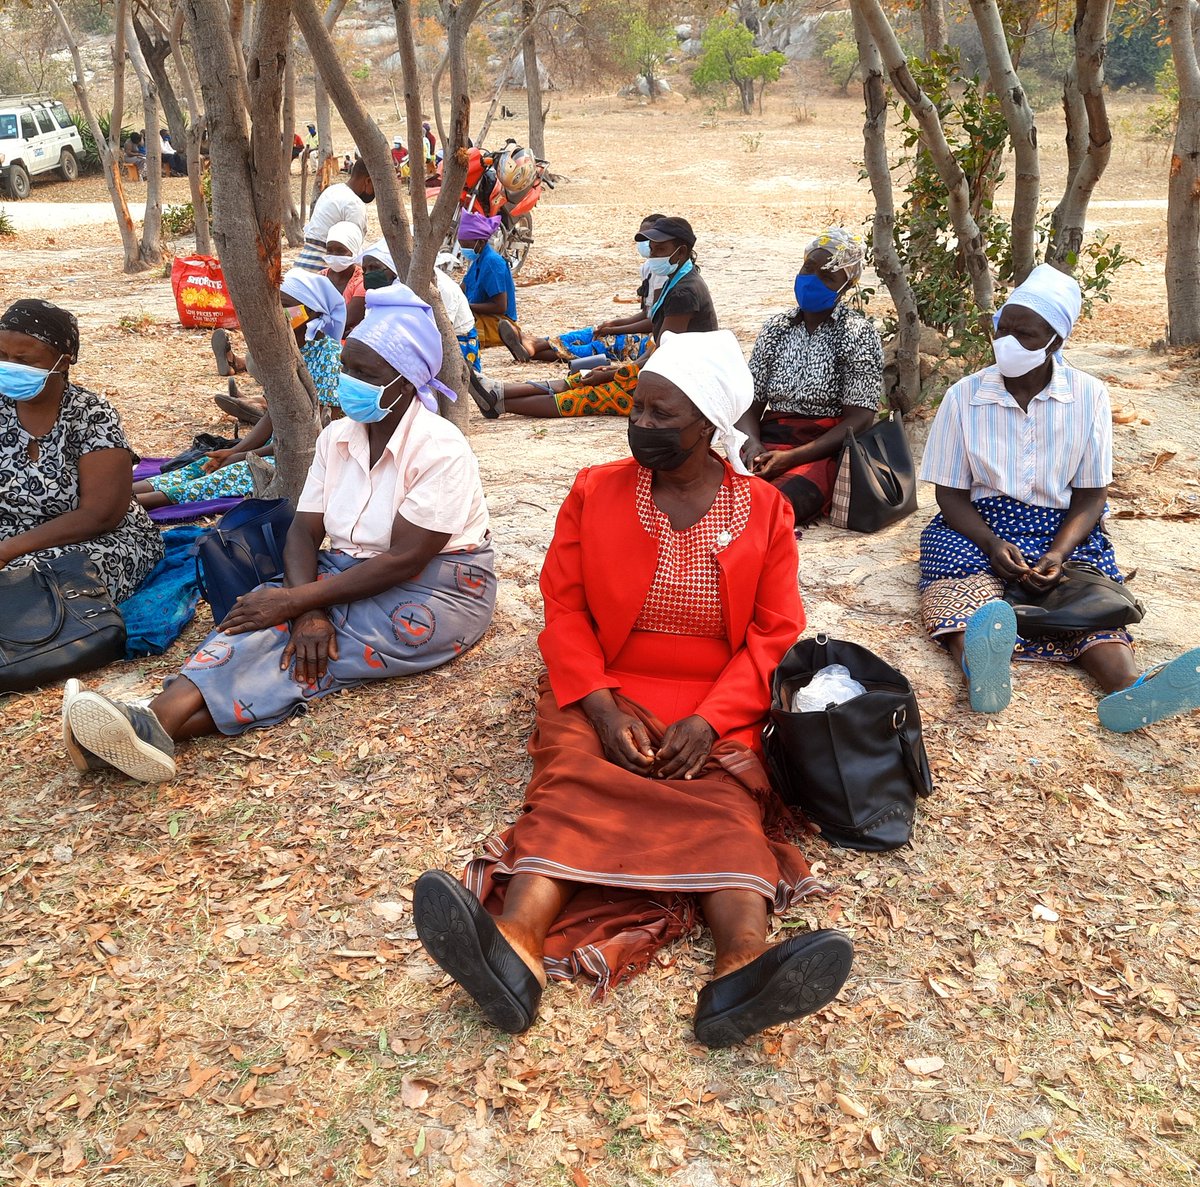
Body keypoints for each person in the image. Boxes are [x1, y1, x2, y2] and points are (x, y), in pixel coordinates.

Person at [413, 330, 853, 1046]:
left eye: (661, 414)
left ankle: (743, 966)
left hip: (716, 693)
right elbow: (566, 607)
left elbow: (774, 633)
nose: (641, 425)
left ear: (709, 423)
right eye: (637, 410)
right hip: (604, 684)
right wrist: (598, 703)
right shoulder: (595, 490)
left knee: (721, 796)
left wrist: (711, 723)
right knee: (576, 779)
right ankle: (514, 945)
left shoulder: (765, 510)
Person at [62, 283, 495, 781]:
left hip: (439, 587)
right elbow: (302, 535)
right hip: (350, 570)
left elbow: (405, 561)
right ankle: (149, 729)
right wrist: (305, 606)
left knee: (309, 649)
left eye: (366, 374)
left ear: (407, 383)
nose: (347, 380)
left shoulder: (441, 448)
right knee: (261, 615)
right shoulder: (336, 438)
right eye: (348, 367)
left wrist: (296, 604)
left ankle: (153, 719)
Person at [918, 263, 1200, 732]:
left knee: (1088, 603)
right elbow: (949, 495)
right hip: (977, 522)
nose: (1006, 341)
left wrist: (1058, 552)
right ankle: (982, 670)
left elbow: (1091, 497)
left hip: (1061, 526)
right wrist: (990, 544)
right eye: (1002, 328)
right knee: (960, 586)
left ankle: (1132, 690)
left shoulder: (1089, 397)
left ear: (1056, 340)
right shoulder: (963, 396)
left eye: (1024, 333)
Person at [468, 216, 718, 421]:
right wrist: (615, 369)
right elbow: (658, 345)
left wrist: (613, 374)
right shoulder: (679, 281)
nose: (652, 256)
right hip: (666, 371)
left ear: (681, 251)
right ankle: (498, 393)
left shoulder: (685, 291)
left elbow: (664, 354)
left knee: (588, 393)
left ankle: (502, 402)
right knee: (584, 379)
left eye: (659, 249)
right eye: (652, 249)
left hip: (682, 385)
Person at [0, 300, 163, 602]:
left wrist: (8, 550)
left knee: (32, 583)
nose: (10, 367)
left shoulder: (90, 415)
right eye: (2, 356)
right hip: (10, 532)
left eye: (25, 360)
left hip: (92, 539)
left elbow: (99, 515)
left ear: (62, 362)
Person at [140, 272, 344, 509]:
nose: (279, 312)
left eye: (286, 306)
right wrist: (235, 450)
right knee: (202, 464)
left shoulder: (327, 355)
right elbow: (274, 415)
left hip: (306, 454)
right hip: (275, 444)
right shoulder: (286, 349)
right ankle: (126, 492)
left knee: (226, 475)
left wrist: (245, 455)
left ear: (314, 312)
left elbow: (315, 433)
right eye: (276, 305)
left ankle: (133, 505)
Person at [737, 228, 882, 527]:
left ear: (845, 289)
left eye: (828, 277)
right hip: (769, 441)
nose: (812, 279)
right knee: (717, 492)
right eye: (808, 268)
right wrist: (752, 445)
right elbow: (750, 401)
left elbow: (860, 418)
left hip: (822, 450)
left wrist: (792, 458)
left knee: (769, 508)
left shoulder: (856, 333)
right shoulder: (776, 328)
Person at [494, 214, 666, 365]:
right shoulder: (650, 267)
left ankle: (534, 347)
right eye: (641, 238)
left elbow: (655, 322)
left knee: (601, 345)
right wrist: (613, 323)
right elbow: (646, 314)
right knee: (590, 333)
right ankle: (533, 346)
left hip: (654, 340)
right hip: (645, 331)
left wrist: (614, 329)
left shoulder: (663, 272)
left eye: (649, 239)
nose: (644, 243)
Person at [348, 239, 480, 369]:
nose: (369, 274)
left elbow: (441, 332)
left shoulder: (440, 288)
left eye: (375, 268)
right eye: (365, 270)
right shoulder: (388, 290)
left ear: (393, 267)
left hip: (455, 342)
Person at [295, 159, 374, 272]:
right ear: (368, 181)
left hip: (303, 263)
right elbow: (352, 249)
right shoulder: (354, 204)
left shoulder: (332, 190)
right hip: (323, 268)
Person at [458, 211, 517, 348]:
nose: (463, 249)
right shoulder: (478, 260)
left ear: (481, 242)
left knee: (462, 331)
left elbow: (500, 306)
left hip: (501, 323)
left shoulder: (492, 263)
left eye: (466, 245)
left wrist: (467, 306)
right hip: (480, 314)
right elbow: (463, 288)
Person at [322, 220, 366, 311]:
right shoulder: (320, 278)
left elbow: (349, 319)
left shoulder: (362, 281)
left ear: (354, 251)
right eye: (329, 250)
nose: (334, 255)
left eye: (341, 251)